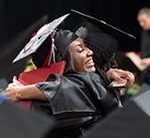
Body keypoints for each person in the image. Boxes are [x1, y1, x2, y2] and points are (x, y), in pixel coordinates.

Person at [5, 11, 135, 138]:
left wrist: (20, 91)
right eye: (80, 49)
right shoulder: (76, 90)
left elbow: (73, 87)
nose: (90, 52)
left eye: (86, 46)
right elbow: (72, 87)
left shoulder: (82, 87)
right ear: (64, 60)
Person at [137, 7, 150, 84]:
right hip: (145, 75)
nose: (141, 24)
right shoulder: (144, 33)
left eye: (143, 21)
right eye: (139, 22)